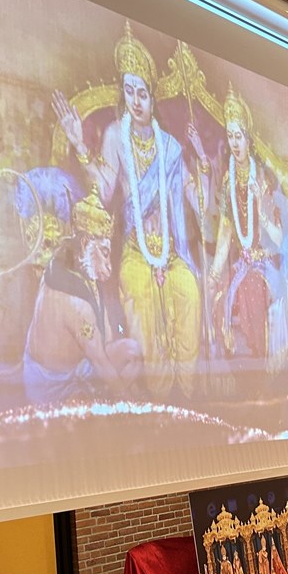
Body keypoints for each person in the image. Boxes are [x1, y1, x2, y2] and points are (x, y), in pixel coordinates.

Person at [53, 22, 209, 400]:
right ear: (123, 95)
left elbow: (197, 199)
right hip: (137, 250)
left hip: (171, 252)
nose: (136, 101)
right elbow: (105, 188)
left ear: (152, 98)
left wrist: (203, 164)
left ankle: (187, 392)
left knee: (189, 291)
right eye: (129, 91)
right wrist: (80, 146)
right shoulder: (115, 137)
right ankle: (159, 395)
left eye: (142, 93)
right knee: (138, 291)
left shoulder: (170, 147)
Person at [23, 188, 141, 403]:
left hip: (80, 368)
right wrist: (130, 403)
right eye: (104, 253)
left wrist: (121, 331)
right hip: (53, 384)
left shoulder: (83, 272)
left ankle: (108, 400)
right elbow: (100, 362)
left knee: (132, 352)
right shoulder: (74, 301)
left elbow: (109, 336)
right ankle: (116, 405)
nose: (109, 266)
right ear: (85, 244)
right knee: (107, 396)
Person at [210, 85, 285, 364]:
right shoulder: (228, 181)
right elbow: (225, 234)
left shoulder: (262, 177)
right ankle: (240, 370)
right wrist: (214, 273)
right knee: (220, 297)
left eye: (238, 136)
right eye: (230, 136)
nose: (234, 143)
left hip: (267, 261)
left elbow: (278, 239)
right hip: (242, 263)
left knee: (252, 289)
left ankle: (258, 362)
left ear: (247, 138)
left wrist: (261, 206)